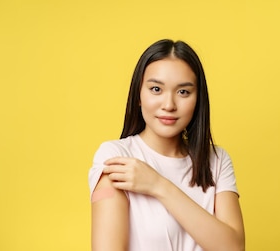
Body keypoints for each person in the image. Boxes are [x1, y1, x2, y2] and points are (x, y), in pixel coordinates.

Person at [88, 39, 245, 251]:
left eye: (183, 92)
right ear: (138, 96)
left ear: (198, 99)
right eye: (156, 89)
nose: (169, 105)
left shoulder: (216, 160)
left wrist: (159, 186)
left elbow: (233, 248)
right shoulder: (117, 156)